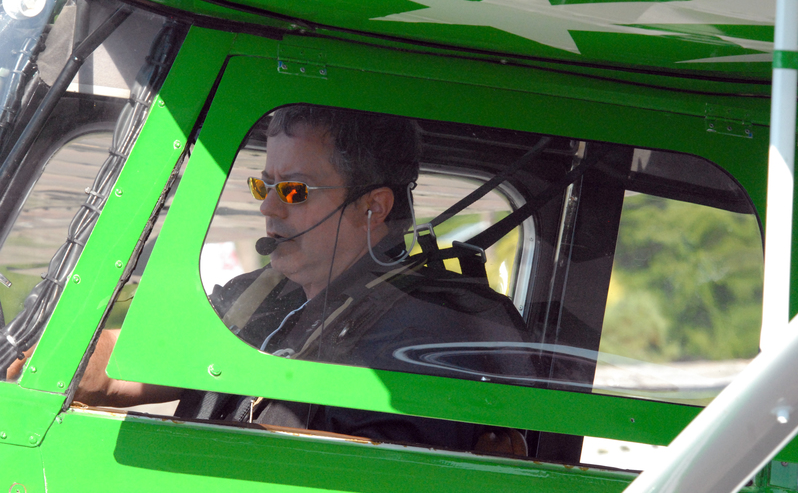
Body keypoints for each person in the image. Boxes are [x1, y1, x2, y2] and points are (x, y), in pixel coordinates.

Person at [76, 105, 530, 454]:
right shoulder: (261, 294)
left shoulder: (421, 338)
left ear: (373, 208)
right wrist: (67, 359)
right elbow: (130, 362)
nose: (267, 208)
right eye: (264, 186)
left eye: (293, 190)